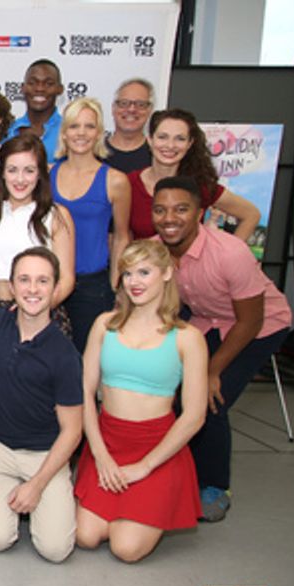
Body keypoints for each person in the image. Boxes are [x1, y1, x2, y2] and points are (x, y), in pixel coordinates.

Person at [151, 176, 293, 522]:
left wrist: (213, 371)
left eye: (181, 209)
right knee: (173, 392)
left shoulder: (231, 253)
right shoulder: (156, 250)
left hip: (258, 326)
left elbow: (250, 321)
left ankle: (215, 486)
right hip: (206, 320)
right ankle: (180, 474)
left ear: (201, 212)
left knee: (210, 399)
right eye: (161, 210)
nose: (170, 218)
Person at [74, 240, 208, 563]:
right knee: (86, 537)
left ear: (166, 274)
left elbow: (194, 416)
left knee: (126, 548)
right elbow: (85, 393)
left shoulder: (188, 338)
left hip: (156, 449)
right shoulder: (104, 325)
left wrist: (145, 466)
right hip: (107, 441)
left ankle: (147, 504)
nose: (134, 281)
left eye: (144, 272)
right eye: (128, 273)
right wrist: (100, 454)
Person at [0, 247, 82, 563]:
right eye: (25, 280)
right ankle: (11, 500)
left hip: (45, 454)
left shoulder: (65, 355)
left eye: (42, 281)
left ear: (55, 287)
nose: (33, 289)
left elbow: (73, 431)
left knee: (56, 550)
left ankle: (43, 497)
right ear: (12, 285)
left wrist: (37, 484)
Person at [51, 97, 131, 352]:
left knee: (88, 361)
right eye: (74, 126)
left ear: (98, 133)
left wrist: (116, 286)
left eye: (89, 126)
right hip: (50, 282)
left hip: (93, 287)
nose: (81, 133)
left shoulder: (115, 181)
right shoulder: (46, 173)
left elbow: (121, 236)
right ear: (64, 133)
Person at [0, 135, 75, 324]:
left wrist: (33, 311)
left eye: (29, 171)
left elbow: (67, 279)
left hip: (41, 316)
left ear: (40, 173)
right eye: (12, 170)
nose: (20, 179)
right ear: (2, 172)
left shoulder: (56, 216)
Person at [129, 108, 259, 240]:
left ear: (189, 143)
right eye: (163, 137)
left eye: (180, 139)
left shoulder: (199, 185)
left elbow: (251, 214)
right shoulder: (128, 184)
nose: (170, 145)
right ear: (150, 140)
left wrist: (229, 255)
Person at [6, 59, 64, 159]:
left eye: (48, 84)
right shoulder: (7, 131)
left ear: (60, 89)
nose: (39, 89)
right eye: (32, 83)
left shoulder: (69, 131)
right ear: (23, 88)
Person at [104, 78, 155, 174]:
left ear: (150, 110)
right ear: (113, 108)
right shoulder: (95, 152)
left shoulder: (157, 155)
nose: (132, 109)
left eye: (140, 104)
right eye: (124, 103)